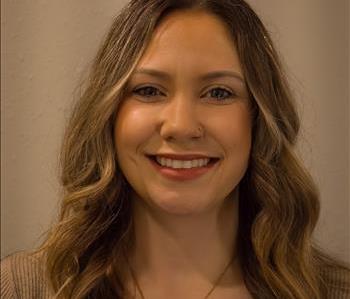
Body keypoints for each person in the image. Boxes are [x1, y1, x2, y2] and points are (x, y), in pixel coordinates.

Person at [1, 0, 349, 298]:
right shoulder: (22, 289)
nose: (181, 126)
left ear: (260, 120)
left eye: (218, 93)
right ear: (108, 114)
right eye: (149, 91)